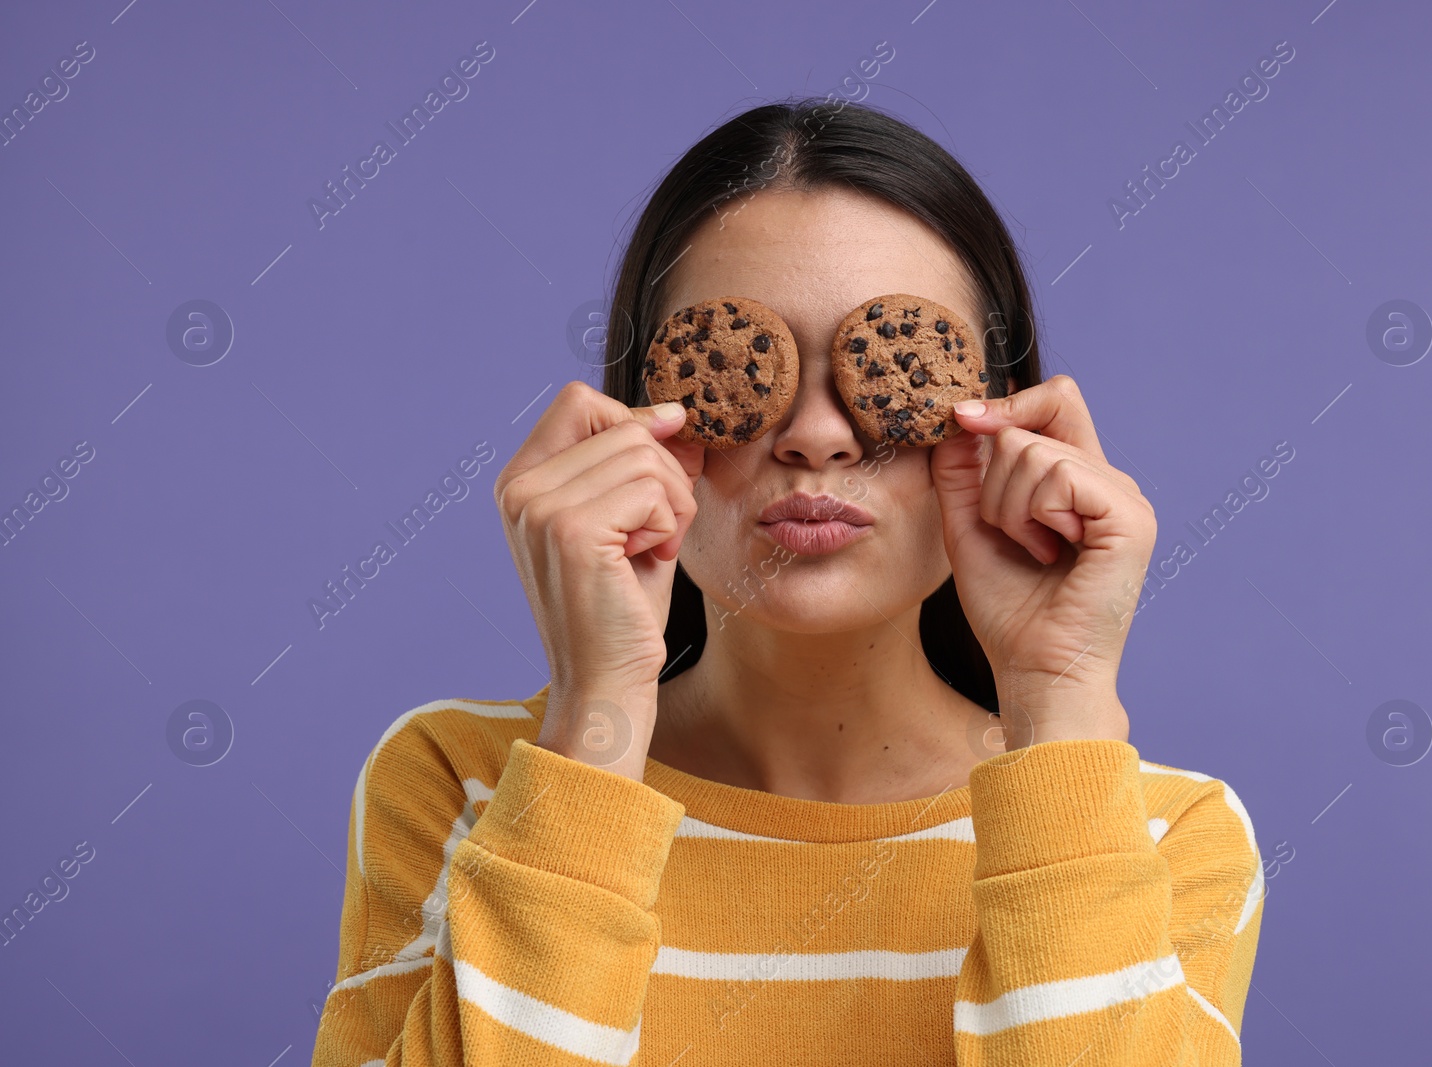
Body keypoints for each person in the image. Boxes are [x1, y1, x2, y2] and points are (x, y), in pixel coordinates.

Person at [310, 99, 1263, 1066]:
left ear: (998, 415)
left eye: (885, 372)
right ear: (643, 414)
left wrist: (1059, 702)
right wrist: (596, 717)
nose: (817, 433)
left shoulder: (1156, 833)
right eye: (745, 363)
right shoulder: (464, 785)